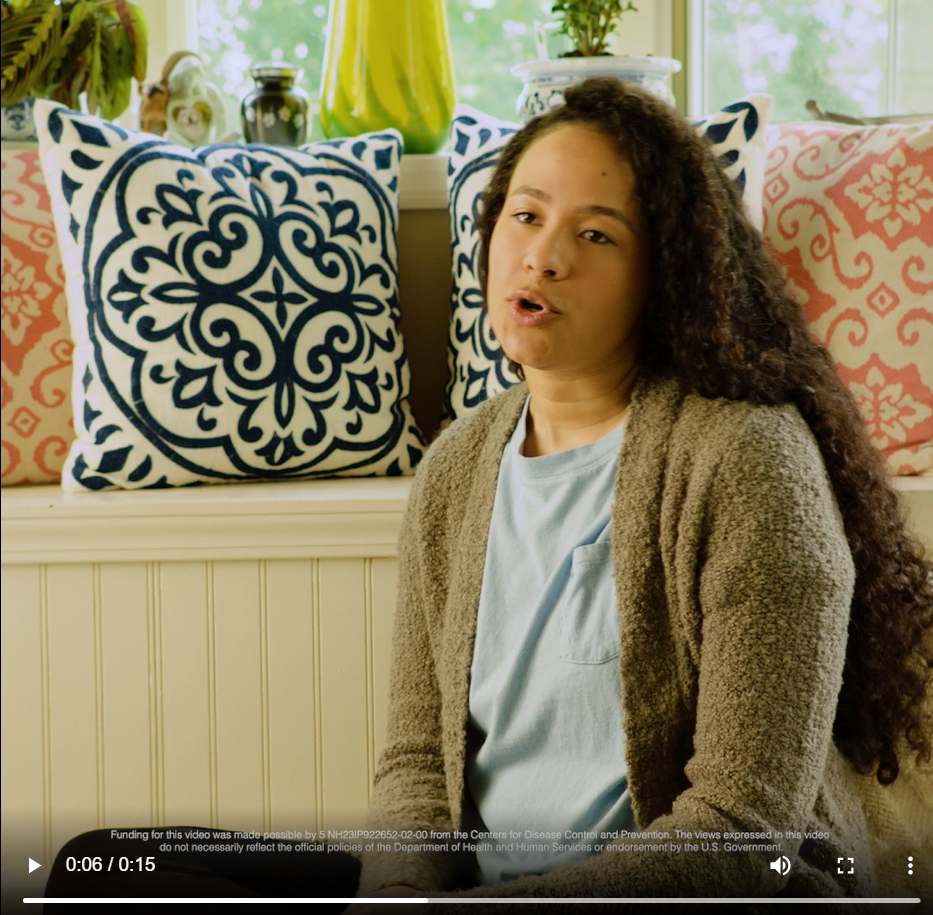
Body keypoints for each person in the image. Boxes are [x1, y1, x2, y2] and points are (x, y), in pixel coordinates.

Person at [45, 78, 932, 911]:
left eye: (595, 234)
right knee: (103, 867)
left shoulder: (748, 458)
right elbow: (415, 769)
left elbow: (742, 836)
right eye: (525, 216)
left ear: (664, 274)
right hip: (478, 889)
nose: (542, 257)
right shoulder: (461, 465)